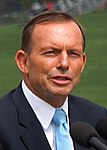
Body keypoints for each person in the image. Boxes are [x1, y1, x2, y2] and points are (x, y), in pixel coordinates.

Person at [0, 10, 107, 150]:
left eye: (73, 54)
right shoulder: (3, 125)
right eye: (51, 52)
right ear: (24, 62)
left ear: (83, 63)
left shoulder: (98, 118)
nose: (64, 63)